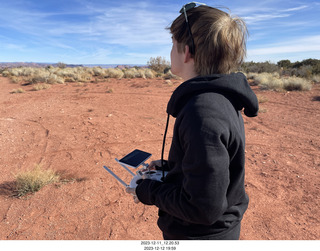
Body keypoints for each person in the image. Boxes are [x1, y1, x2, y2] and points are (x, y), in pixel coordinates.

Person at [126, 2, 259, 240]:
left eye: (172, 45)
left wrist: (147, 190)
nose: (170, 52)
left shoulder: (203, 112)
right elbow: (216, 171)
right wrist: (173, 167)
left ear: (186, 51)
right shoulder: (220, 99)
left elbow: (202, 208)